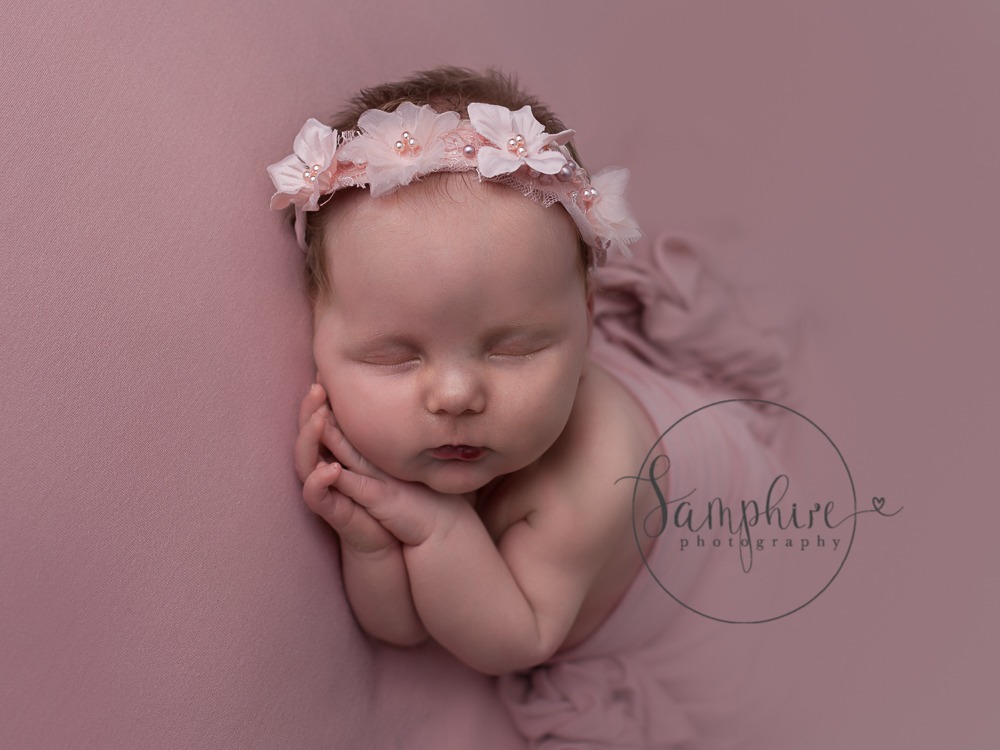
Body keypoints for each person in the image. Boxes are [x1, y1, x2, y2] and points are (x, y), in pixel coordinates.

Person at [268, 67, 789, 749]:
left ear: (587, 320)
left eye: (515, 348)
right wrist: (369, 541)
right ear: (317, 334)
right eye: (395, 357)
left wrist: (428, 527)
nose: (456, 396)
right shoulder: (442, 431)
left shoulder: (593, 483)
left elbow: (515, 638)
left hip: (718, 548)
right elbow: (400, 628)